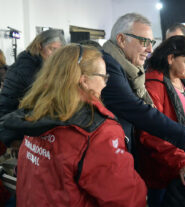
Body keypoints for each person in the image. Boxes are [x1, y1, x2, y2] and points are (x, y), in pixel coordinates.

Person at [1, 44, 147, 206]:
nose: (105, 84)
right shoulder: (98, 131)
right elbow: (126, 198)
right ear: (84, 80)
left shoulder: (34, 112)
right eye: (104, 77)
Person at [100, 13, 185, 158]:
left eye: (151, 43)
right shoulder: (108, 66)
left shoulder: (130, 70)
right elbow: (138, 111)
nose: (150, 50)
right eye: (143, 41)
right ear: (121, 40)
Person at [138, 36, 185, 206]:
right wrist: (180, 161)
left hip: (183, 160)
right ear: (170, 58)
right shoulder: (153, 86)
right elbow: (151, 133)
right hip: (164, 166)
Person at [0, 29, 66, 125]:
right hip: (10, 118)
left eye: (58, 51)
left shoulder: (34, 60)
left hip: (15, 116)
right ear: (39, 46)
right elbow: (40, 95)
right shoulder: (28, 65)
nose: (54, 55)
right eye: (52, 49)